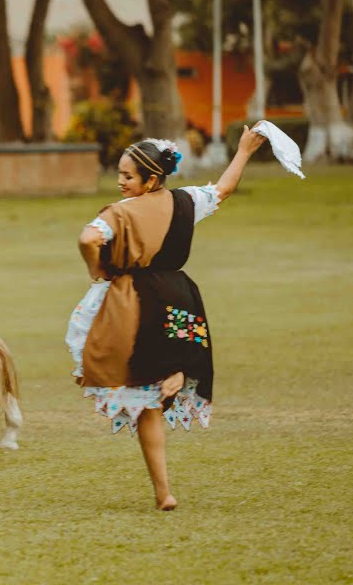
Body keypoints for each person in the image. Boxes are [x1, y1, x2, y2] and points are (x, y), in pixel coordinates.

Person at [66, 125, 270, 510]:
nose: (121, 181)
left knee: (139, 393)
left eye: (128, 176)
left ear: (151, 179)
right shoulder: (187, 201)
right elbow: (222, 190)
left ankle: (164, 485)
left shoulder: (119, 214)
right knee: (160, 383)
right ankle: (174, 379)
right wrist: (243, 151)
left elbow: (87, 239)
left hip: (135, 301)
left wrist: (97, 269)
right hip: (180, 299)